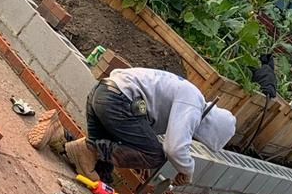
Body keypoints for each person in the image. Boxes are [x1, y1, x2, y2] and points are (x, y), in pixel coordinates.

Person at [64, 66, 236, 187]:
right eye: (198, 138)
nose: (193, 138)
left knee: (103, 173)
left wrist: (139, 159)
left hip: (103, 94)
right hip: (116, 103)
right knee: (155, 156)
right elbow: (174, 148)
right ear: (210, 128)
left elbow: (139, 130)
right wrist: (187, 171)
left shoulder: (187, 93)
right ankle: (88, 150)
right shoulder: (194, 103)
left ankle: (59, 136)